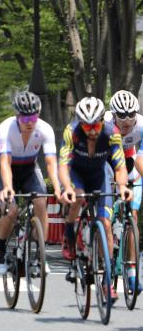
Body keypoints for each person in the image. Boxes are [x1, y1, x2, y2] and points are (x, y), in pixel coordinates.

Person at [59, 95, 131, 301]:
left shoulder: (112, 133)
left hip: (100, 175)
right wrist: (66, 188)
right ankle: (69, 237)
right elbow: (63, 165)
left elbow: (119, 166)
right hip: (77, 174)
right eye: (87, 126)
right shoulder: (71, 132)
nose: (92, 130)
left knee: (106, 224)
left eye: (96, 125)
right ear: (80, 123)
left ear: (102, 121)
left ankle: (107, 282)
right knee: (78, 197)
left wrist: (123, 186)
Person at [0, 91, 61, 275]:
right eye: (25, 118)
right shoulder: (6, 128)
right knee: (11, 210)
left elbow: (50, 163)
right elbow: (5, 163)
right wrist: (8, 187)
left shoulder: (44, 129)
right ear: (17, 116)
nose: (30, 122)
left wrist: (56, 187)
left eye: (33, 116)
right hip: (8, 170)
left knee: (41, 203)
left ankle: (40, 255)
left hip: (30, 169)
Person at [104, 90, 143, 293]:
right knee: (107, 219)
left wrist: (133, 181)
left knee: (133, 216)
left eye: (131, 115)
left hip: (129, 161)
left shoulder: (142, 125)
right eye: (122, 115)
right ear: (113, 115)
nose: (127, 120)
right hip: (106, 162)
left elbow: (140, 161)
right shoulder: (105, 126)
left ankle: (131, 272)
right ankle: (107, 265)